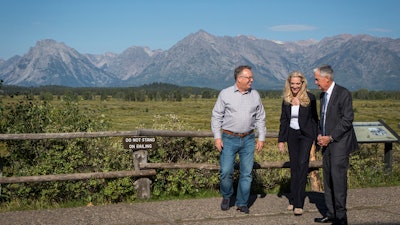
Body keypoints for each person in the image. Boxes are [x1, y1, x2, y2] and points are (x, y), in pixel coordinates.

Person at [211, 65, 266, 214]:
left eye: (251, 77)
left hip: (248, 138)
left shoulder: (255, 95)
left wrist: (261, 137)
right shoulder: (225, 94)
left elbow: (260, 117)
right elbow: (216, 116)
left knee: (246, 173)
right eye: (249, 78)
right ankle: (227, 196)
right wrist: (217, 137)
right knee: (226, 170)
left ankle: (242, 203)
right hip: (228, 138)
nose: (252, 80)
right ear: (239, 78)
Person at [313, 65, 358, 225]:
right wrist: (319, 134)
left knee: (338, 181)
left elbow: (347, 119)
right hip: (326, 145)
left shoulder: (343, 93)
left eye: (317, 79)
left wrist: (330, 137)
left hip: (339, 144)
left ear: (327, 78)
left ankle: (341, 218)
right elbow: (322, 119)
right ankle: (331, 213)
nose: (316, 83)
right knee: (328, 180)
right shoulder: (322, 96)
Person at [278, 71, 318, 216]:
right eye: (292, 83)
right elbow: (283, 120)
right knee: (294, 167)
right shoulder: (286, 99)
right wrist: (281, 140)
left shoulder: (310, 98)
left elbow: (315, 120)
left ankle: (299, 203)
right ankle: (293, 198)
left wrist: (315, 138)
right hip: (292, 136)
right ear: (289, 84)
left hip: (306, 136)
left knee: (302, 165)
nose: (295, 86)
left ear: (302, 83)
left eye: (297, 83)